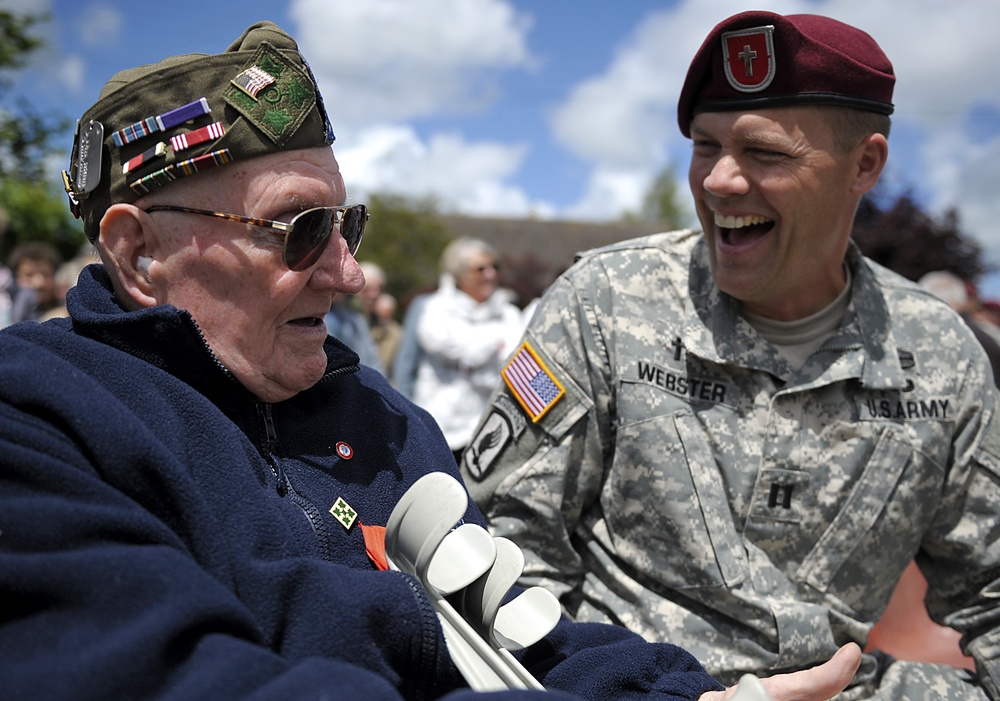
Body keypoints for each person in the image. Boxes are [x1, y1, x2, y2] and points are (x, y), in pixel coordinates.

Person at [0, 19, 861, 701]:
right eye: (299, 230)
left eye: (349, 225)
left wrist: (685, 695)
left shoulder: (383, 418)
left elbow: (524, 631)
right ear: (140, 252)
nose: (347, 272)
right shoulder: (36, 415)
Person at [460, 10, 1000, 701]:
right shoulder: (609, 301)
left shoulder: (939, 355)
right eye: (704, 146)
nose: (720, 181)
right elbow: (500, 551)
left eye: (765, 153)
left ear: (864, 164)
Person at [412, 237, 525, 463]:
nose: (490, 274)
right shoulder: (436, 308)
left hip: (492, 428)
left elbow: (514, 362)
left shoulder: (509, 313)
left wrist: (482, 351)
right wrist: (494, 343)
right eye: (480, 269)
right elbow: (459, 352)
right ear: (459, 274)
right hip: (442, 426)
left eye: (495, 267)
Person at [359, 260, 403, 375]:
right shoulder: (342, 322)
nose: (373, 295)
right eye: (366, 289)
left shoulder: (393, 332)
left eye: (378, 289)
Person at [8, 240, 63, 323]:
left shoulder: (65, 311)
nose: (38, 283)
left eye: (46, 275)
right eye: (29, 275)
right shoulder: (5, 309)